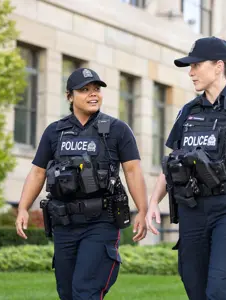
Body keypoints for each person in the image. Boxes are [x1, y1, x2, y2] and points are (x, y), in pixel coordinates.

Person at [145, 36, 226, 300]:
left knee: (220, 290)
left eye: (196, 65)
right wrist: (152, 203)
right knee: (195, 289)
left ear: (218, 66)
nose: (191, 72)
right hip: (192, 210)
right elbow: (171, 161)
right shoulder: (188, 112)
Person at [15, 67, 148, 300]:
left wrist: (143, 211)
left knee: (85, 291)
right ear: (69, 96)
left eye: (96, 89)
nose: (93, 94)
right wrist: (23, 208)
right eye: (84, 90)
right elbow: (37, 172)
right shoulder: (55, 132)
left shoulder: (117, 130)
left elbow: (133, 171)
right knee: (66, 293)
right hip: (65, 223)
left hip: (101, 222)